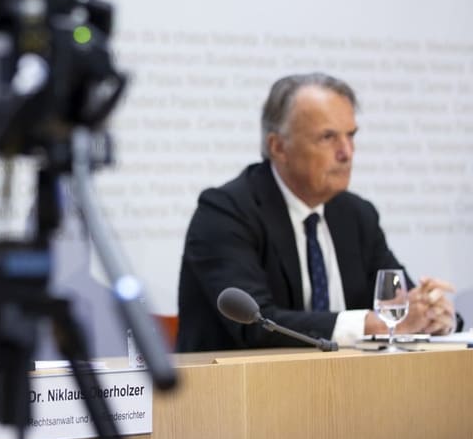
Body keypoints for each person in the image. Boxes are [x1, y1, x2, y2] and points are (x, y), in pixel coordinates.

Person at [176, 72, 458, 351]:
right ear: (278, 147)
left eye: (351, 135)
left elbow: (399, 303)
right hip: (236, 389)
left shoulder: (357, 215)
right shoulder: (225, 212)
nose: (347, 152)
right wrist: (372, 325)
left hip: (341, 389)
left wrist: (432, 314)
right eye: (328, 137)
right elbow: (256, 324)